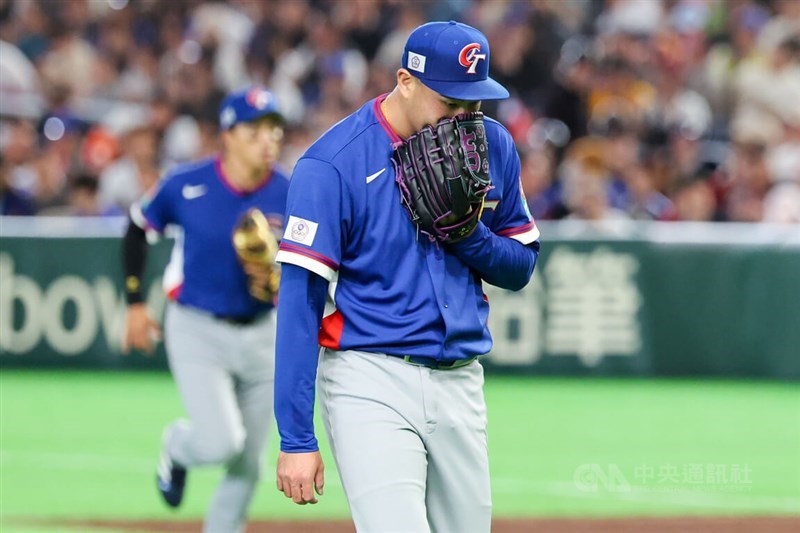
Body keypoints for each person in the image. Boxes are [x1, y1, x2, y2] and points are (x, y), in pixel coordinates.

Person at [273, 21, 541, 532]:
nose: (464, 118)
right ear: (405, 80)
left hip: (461, 378)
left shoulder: (493, 146)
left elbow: (521, 266)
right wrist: (296, 437)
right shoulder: (332, 164)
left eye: (474, 105)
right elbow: (300, 302)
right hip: (368, 377)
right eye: (450, 103)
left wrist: (468, 237)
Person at [121, 86, 289, 533]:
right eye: (254, 130)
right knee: (221, 442)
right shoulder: (187, 183)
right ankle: (177, 447)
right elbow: (137, 228)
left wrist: (282, 281)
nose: (267, 139)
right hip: (198, 329)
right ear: (227, 135)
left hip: (263, 334)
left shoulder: (292, 192)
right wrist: (136, 303)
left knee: (249, 462)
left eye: (273, 129)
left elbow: (312, 267)